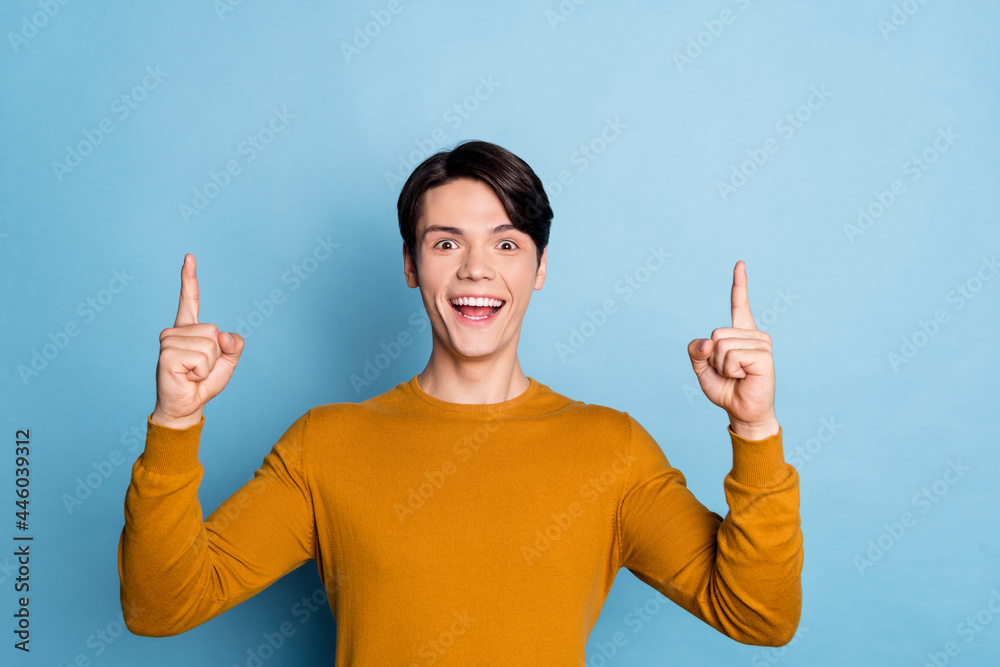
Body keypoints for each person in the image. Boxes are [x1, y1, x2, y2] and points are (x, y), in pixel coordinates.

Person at [118, 140, 802, 664]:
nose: (476, 267)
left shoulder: (609, 448)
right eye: (447, 242)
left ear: (539, 268)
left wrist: (754, 428)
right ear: (413, 265)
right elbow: (161, 605)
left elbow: (759, 615)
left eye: (506, 242)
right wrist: (175, 421)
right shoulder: (326, 443)